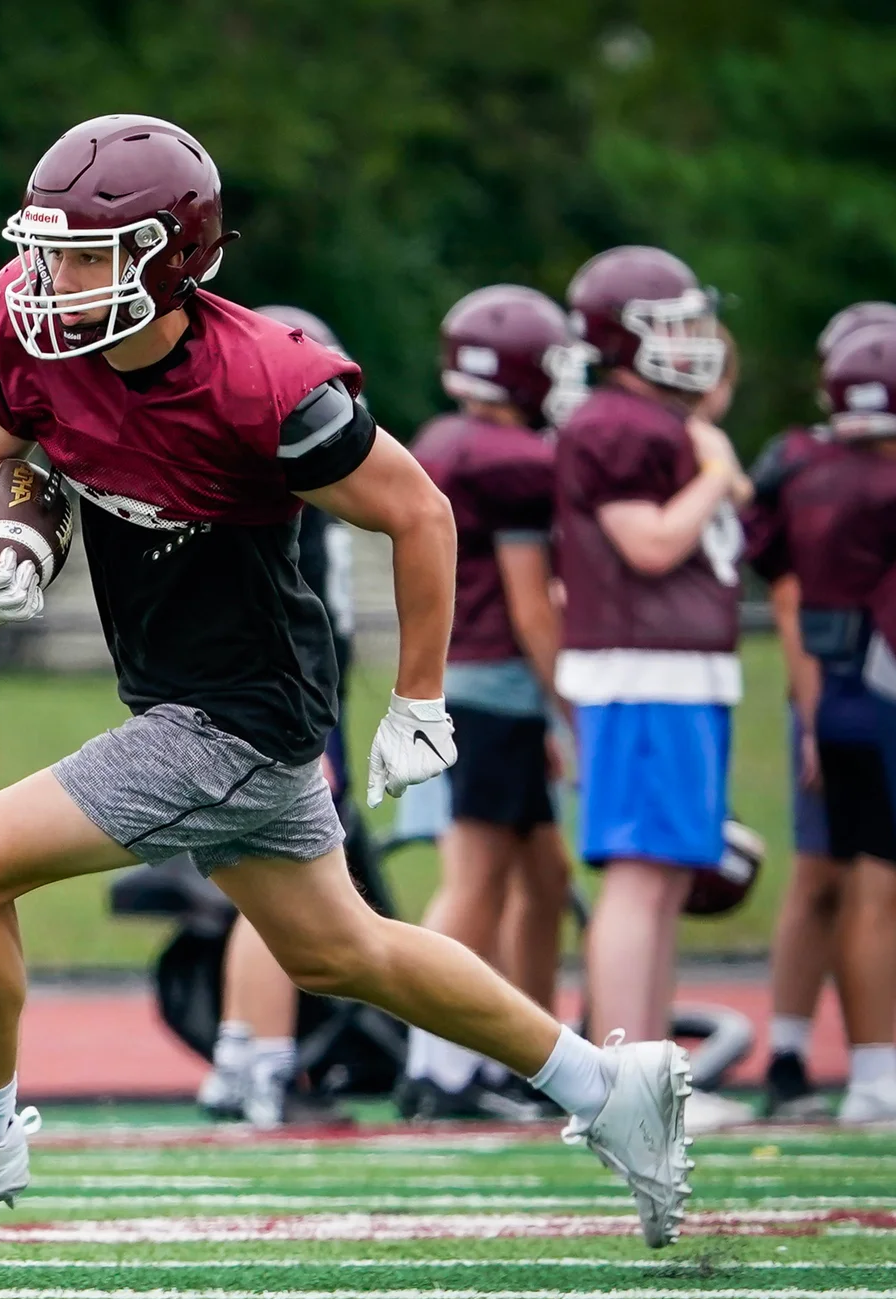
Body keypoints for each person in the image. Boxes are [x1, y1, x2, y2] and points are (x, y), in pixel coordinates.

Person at [0, 116, 694, 1247]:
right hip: (202, 701)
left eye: (90, 254)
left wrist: (418, 700)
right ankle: (608, 1089)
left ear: (172, 256)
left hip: (235, 714)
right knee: (342, 951)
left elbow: (421, 512)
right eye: (46, 249)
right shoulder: (30, 325)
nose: (53, 280)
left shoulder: (267, 383)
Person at [551, 244, 753, 1136]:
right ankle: (623, 1085)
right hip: (643, 674)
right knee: (640, 879)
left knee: (666, 879)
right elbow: (652, 546)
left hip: (675, 671)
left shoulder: (653, 420)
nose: (693, 341)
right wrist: (714, 469)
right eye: (668, 324)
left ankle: (653, 1081)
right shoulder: (618, 426)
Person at [398, 284, 581, 1119]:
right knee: (475, 882)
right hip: (495, 685)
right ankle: (438, 1066)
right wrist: (565, 704)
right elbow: (531, 601)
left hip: (463, 680)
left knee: (545, 878)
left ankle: (534, 1057)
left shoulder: (446, 437)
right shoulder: (512, 460)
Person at [197, 303, 357, 1128]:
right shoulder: (283, 493)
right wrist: (321, 740)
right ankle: (264, 1066)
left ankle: (236, 1058)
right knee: (290, 900)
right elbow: (297, 622)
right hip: (289, 708)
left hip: (286, 700)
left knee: (270, 893)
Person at [745, 308, 896, 1118]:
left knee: (849, 882)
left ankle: (826, 1059)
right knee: (860, 884)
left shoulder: (800, 467)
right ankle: (858, 1070)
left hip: (835, 696)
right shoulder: (860, 480)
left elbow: (787, 584)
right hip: (865, 696)